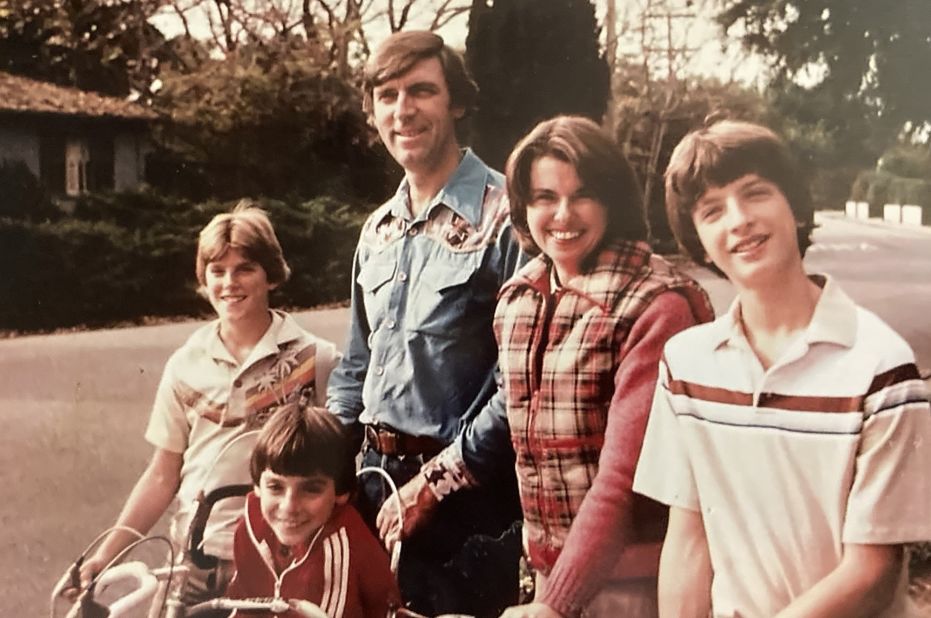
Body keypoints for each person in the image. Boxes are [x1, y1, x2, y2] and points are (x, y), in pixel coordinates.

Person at [633, 120, 931, 617]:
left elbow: (872, 569)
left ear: (794, 207)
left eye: (755, 194)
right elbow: (688, 541)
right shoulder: (685, 365)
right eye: (712, 211)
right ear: (698, 242)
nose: (739, 220)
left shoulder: (881, 366)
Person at [424, 115, 708, 618]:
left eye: (582, 195)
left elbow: (622, 477)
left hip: (639, 587)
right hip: (547, 581)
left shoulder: (657, 305)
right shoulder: (517, 298)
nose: (563, 215)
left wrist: (556, 604)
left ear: (613, 199)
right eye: (543, 197)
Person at [325, 30, 522, 617]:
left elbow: (522, 385)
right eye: (386, 95)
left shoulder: (509, 217)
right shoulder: (378, 229)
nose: (402, 110)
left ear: (457, 102)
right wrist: (327, 463)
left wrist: (435, 484)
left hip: (468, 498)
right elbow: (355, 364)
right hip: (372, 486)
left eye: (421, 91)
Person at [71, 202, 341, 611]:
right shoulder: (186, 363)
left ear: (271, 274)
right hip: (194, 557)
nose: (229, 283)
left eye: (245, 268)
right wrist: (108, 553)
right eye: (217, 271)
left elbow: (339, 471)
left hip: (281, 557)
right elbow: (163, 474)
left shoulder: (315, 359)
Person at [226, 404, 401, 618]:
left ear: (341, 491)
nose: (289, 506)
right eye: (275, 487)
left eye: (310, 489)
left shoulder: (349, 546)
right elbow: (240, 605)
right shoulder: (249, 529)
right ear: (258, 486)